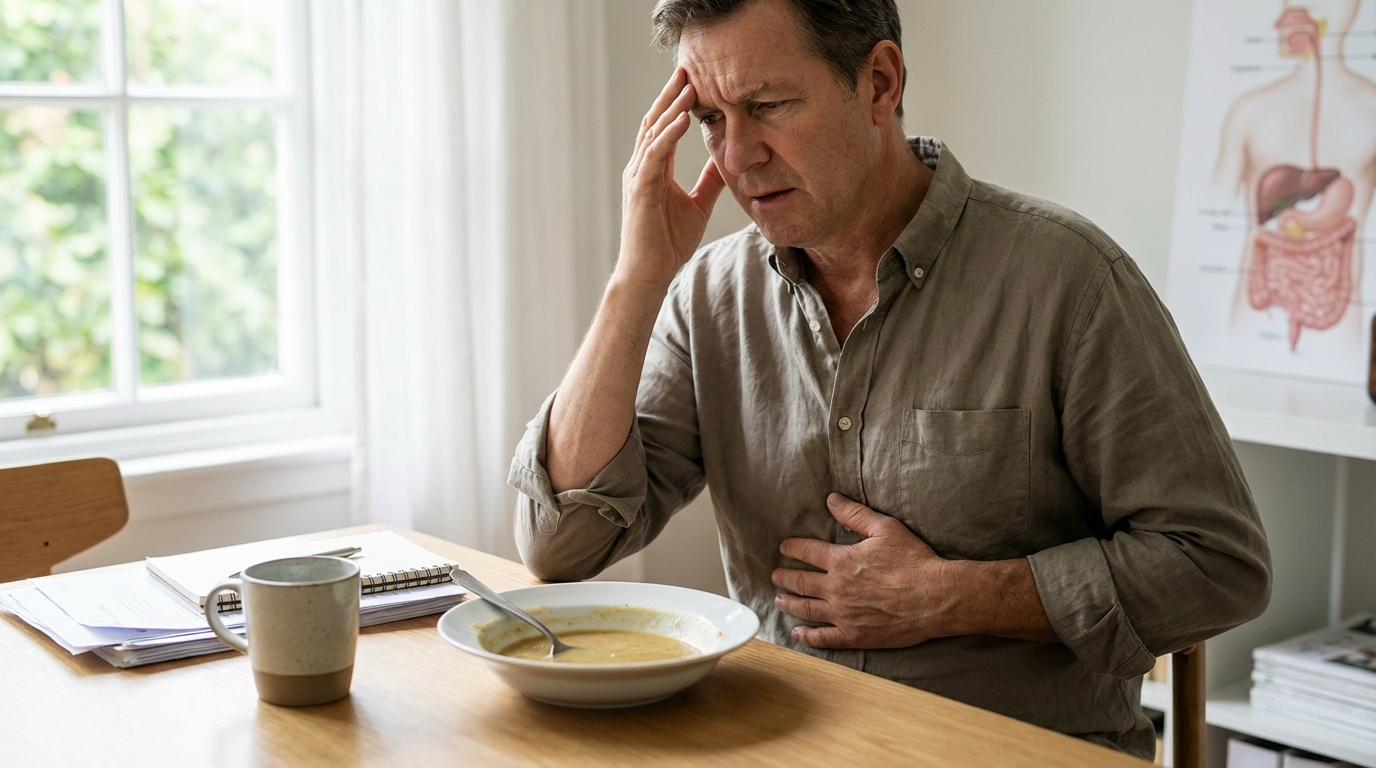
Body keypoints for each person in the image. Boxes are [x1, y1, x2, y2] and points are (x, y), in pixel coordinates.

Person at [508, 0, 1272, 757]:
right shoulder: (710, 294)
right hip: (782, 746)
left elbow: (1218, 566)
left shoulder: (1069, 280)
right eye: (709, 119)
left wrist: (951, 596)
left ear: (879, 82)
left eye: (767, 105)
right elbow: (559, 547)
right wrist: (635, 280)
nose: (735, 156)